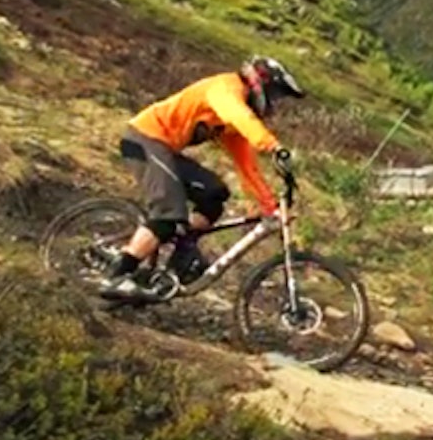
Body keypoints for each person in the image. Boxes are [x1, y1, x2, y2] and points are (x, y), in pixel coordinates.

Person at [98, 55, 305, 302]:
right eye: (277, 95)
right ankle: (117, 276)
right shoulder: (226, 88)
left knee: (214, 194)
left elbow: (247, 166)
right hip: (144, 139)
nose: (275, 103)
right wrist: (273, 146)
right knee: (168, 214)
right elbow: (240, 116)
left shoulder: (229, 123)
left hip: (164, 149)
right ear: (261, 83)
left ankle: (177, 261)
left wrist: (269, 206)